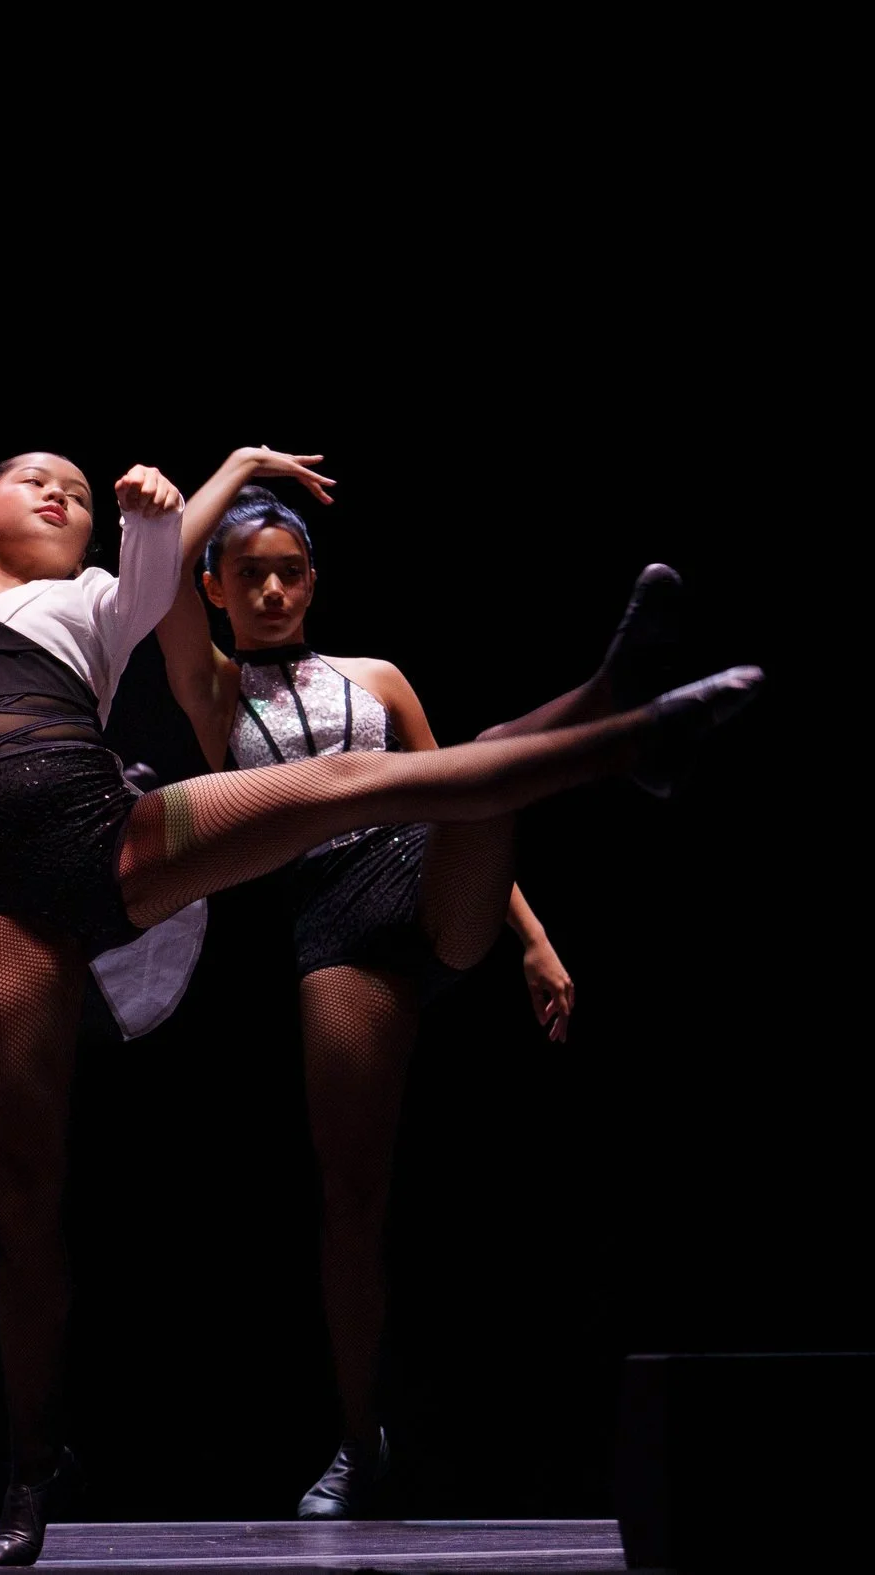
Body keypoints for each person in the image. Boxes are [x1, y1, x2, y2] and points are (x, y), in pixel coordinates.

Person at [0, 446, 759, 1566]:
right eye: (36, 481)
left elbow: (157, 568)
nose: (65, 493)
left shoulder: (104, 597)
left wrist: (169, 501)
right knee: (22, 1191)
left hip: (120, 838)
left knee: (382, 774)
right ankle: (32, 1462)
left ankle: (627, 734)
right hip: (18, 897)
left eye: (78, 488)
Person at [157, 476, 687, 1516]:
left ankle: (616, 708)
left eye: (290, 572)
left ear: (314, 580)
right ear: (216, 587)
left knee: (484, 759)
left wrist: (533, 941)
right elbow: (160, 580)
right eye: (249, 574)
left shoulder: (378, 675)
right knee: (350, 1200)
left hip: (429, 876)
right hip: (336, 920)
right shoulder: (212, 688)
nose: (271, 590)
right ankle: (360, 1443)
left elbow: (456, 794)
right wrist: (232, 465)